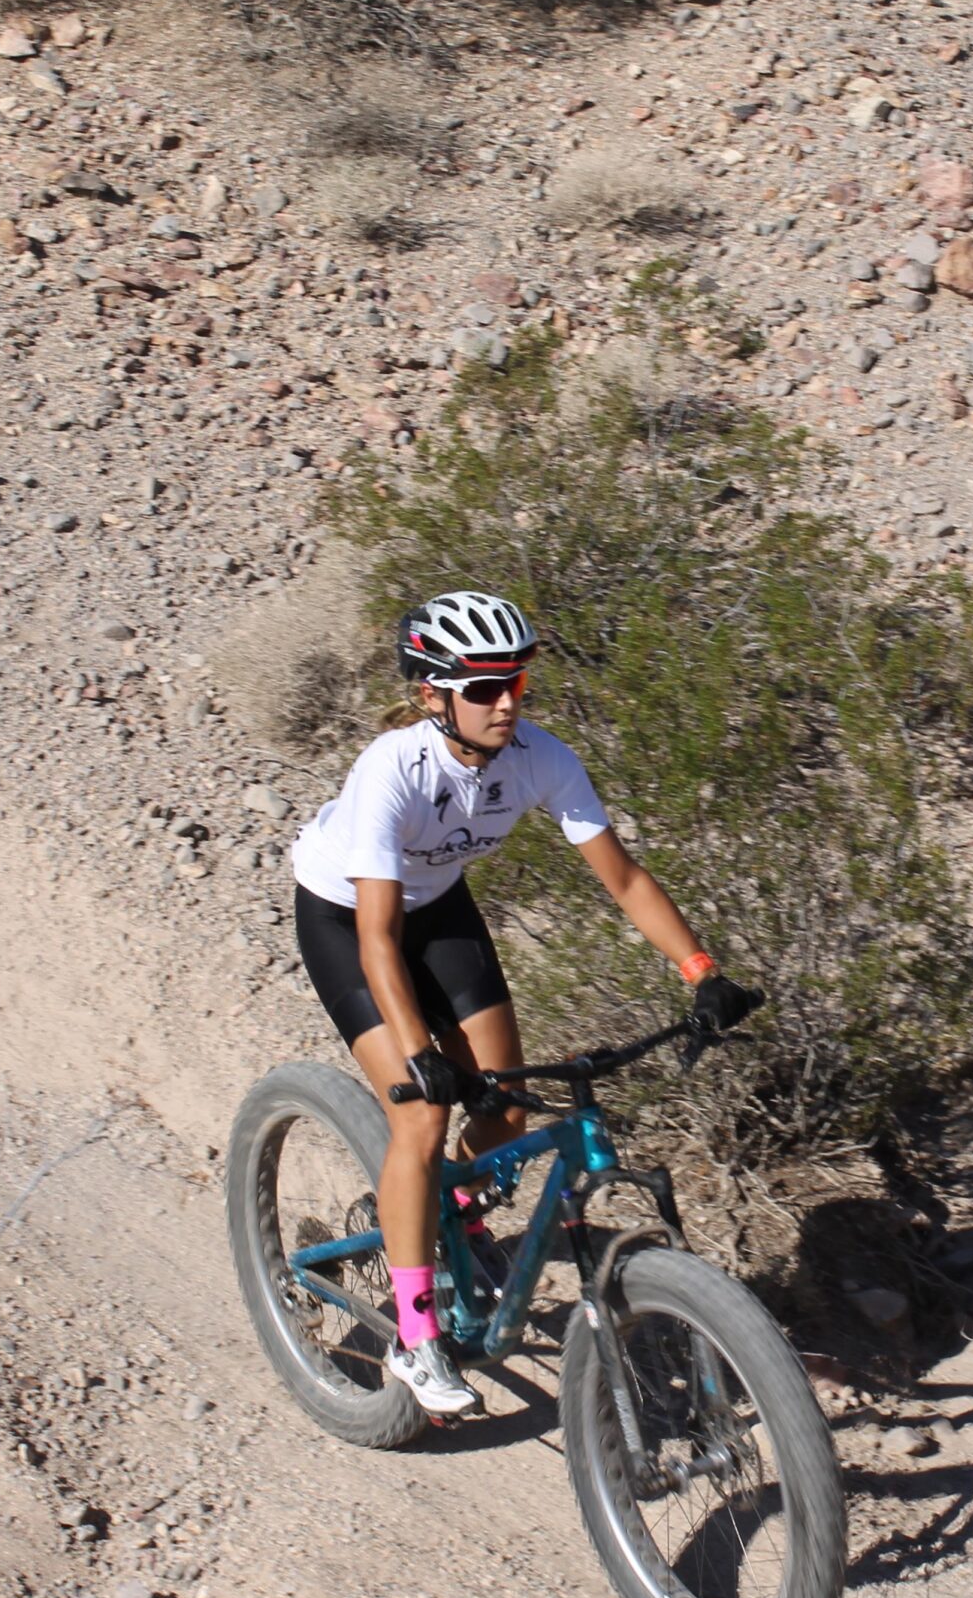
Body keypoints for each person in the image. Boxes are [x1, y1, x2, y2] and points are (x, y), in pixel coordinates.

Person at [289, 590, 757, 1415]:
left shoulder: (541, 756)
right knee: (422, 1117)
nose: (506, 701)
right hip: (347, 914)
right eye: (482, 687)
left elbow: (624, 877)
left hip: (437, 907)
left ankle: (454, 1212)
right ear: (433, 695)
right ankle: (416, 1335)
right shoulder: (392, 769)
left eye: (517, 681)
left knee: (503, 1100)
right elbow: (374, 937)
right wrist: (418, 1052)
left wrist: (699, 968)